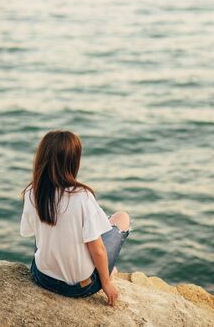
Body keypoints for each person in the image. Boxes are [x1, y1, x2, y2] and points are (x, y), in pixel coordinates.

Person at [20, 130, 132, 306]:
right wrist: (106, 283)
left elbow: (31, 233)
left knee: (47, 233)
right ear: (74, 161)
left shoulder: (32, 192)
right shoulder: (82, 196)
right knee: (122, 218)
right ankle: (109, 272)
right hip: (78, 287)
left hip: (43, 278)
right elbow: (98, 250)